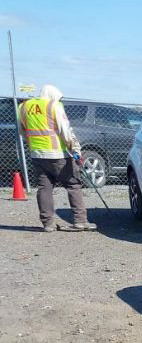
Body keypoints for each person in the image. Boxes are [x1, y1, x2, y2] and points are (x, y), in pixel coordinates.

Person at [18, 84, 96, 232]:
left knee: (44, 188)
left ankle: (48, 224)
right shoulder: (54, 106)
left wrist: (33, 146)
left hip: (37, 154)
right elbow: (64, 130)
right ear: (54, 95)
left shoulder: (23, 107)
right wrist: (75, 148)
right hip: (58, 154)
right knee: (73, 184)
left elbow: (23, 131)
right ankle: (80, 220)